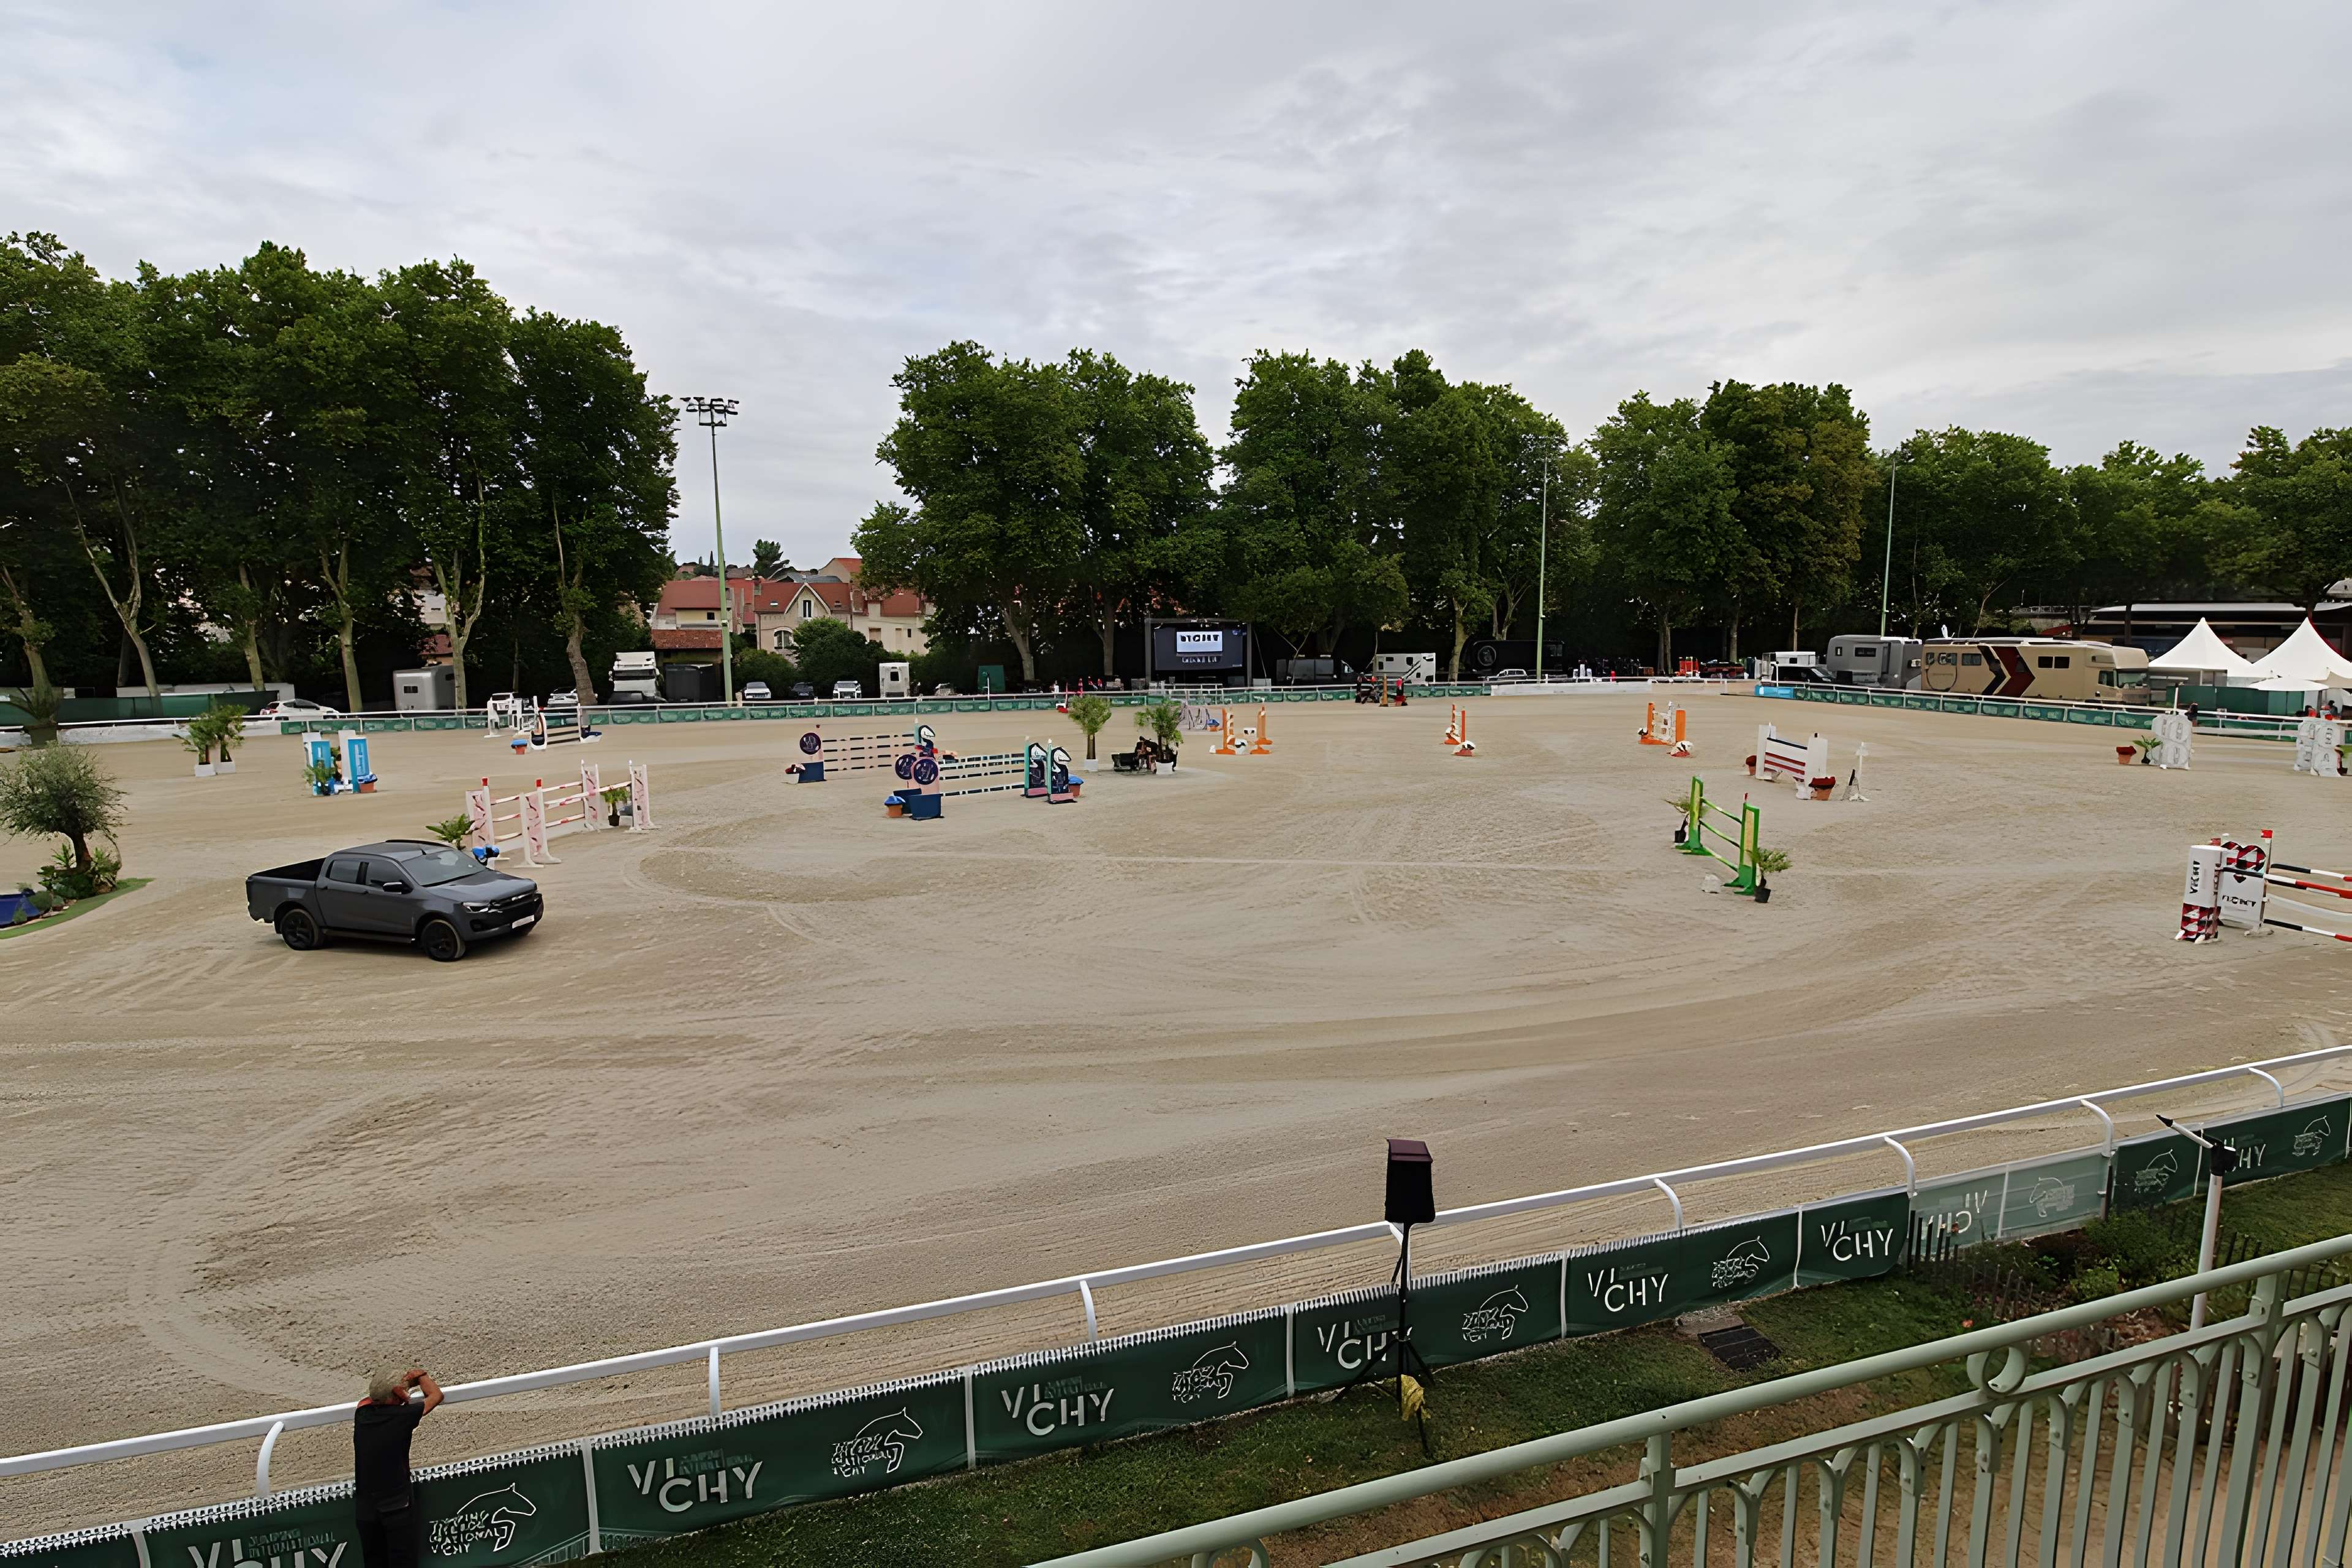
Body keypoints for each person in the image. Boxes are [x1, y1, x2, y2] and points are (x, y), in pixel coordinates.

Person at [354, 1365, 442, 1568]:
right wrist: (421, 1375)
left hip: (366, 1510)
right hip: (397, 1508)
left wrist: (397, 1390)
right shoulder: (404, 1416)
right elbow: (436, 1395)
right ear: (397, 1394)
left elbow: (368, 1400)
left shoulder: (362, 1414)